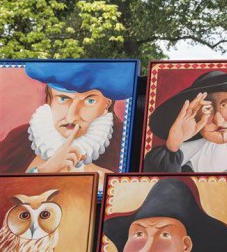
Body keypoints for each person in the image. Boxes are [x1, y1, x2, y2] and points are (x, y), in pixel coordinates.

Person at [143, 70, 227, 185]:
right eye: (207, 109)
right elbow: (160, 197)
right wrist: (173, 145)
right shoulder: (171, 159)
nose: (219, 120)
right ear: (193, 115)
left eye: (225, 105)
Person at [0, 62, 133, 176]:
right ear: (49, 100)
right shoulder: (18, 140)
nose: (71, 116)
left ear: (107, 105)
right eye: (63, 99)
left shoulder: (125, 141)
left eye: (90, 101)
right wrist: (45, 171)